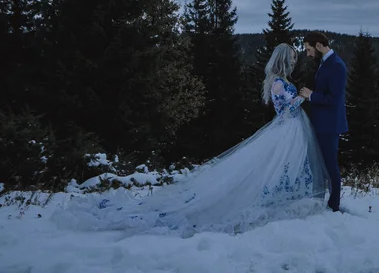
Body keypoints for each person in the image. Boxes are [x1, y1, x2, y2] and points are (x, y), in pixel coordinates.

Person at [51, 44, 330, 237]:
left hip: (291, 129)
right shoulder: (280, 83)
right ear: (283, 60)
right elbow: (285, 109)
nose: (295, 62)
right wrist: (302, 97)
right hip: (286, 128)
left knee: (285, 167)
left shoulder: (280, 79)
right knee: (271, 167)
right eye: (292, 59)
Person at [300, 31, 348, 212]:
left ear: (319, 45)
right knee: (320, 164)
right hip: (321, 123)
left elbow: (334, 99)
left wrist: (311, 95)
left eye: (309, 49)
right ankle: (320, 200)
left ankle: (334, 205)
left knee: (330, 166)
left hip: (329, 125)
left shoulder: (336, 65)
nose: (308, 53)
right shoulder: (325, 63)